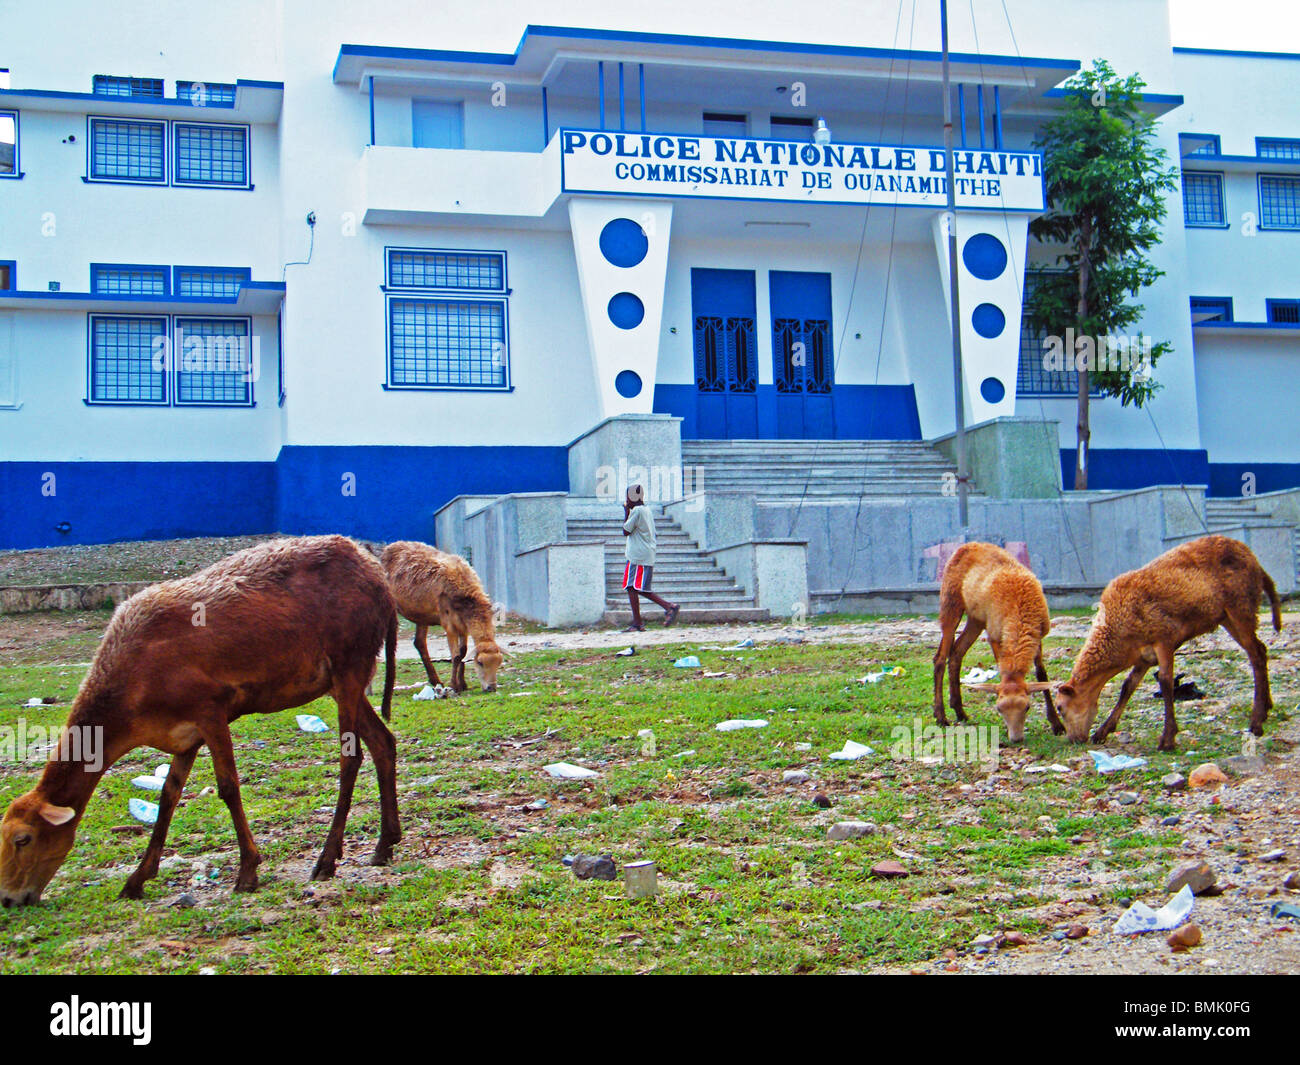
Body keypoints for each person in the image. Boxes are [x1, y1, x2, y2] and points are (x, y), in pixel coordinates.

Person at [621, 484, 679, 631]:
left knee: (631, 587)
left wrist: (626, 511)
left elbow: (626, 531)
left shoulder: (636, 511)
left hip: (637, 555)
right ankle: (668, 607)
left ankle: (638, 623)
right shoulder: (646, 510)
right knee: (640, 588)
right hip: (646, 553)